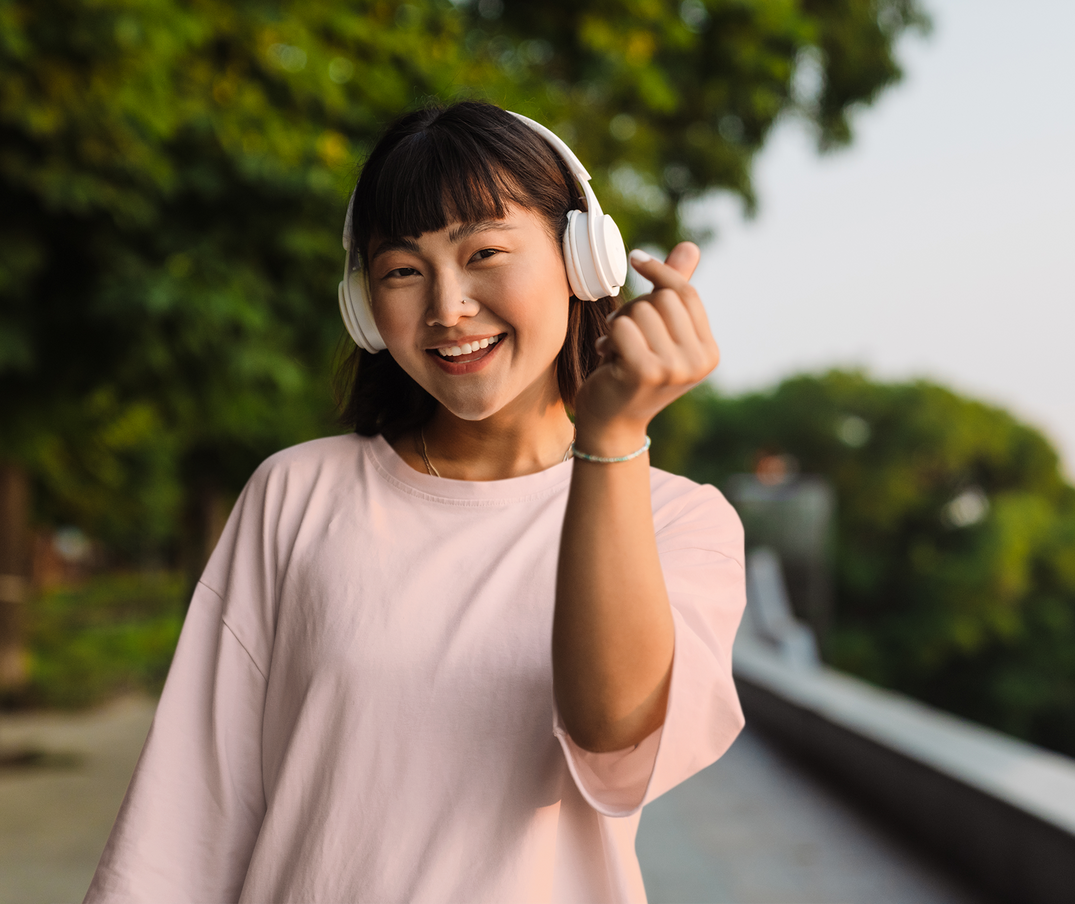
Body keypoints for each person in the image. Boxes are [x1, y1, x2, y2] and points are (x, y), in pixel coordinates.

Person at [85, 101, 745, 904]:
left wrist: (610, 437)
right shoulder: (296, 494)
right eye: (403, 270)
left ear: (584, 261)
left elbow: (614, 736)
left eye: (486, 252)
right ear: (364, 305)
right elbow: (187, 815)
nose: (448, 307)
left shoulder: (680, 521)